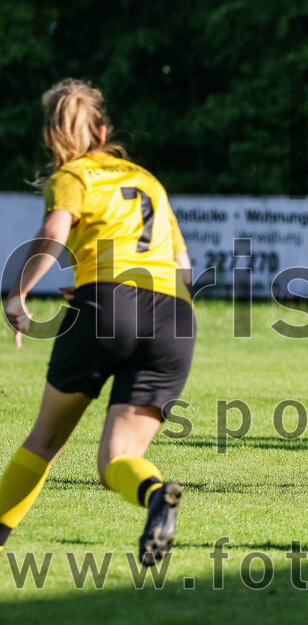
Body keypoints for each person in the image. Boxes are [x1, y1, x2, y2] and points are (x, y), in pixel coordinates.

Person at [1, 80, 195, 566]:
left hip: (108, 307)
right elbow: (183, 266)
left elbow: (53, 233)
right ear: (104, 130)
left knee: (44, 441)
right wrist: (97, 285)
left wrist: (17, 293)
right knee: (116, 459)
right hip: (174, 315)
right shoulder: (148, 179)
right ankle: (155, 495)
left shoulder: (73, 174)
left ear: (52, 138)